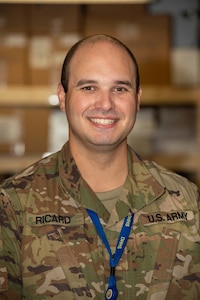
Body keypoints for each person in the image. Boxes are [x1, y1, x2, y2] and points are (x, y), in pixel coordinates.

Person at [0, 34, 199, 300]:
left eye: (120, 88)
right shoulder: (13, 205)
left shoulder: (187, 203)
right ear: (63, 96)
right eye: (88, 87)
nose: (105, 104)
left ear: (137, 99)